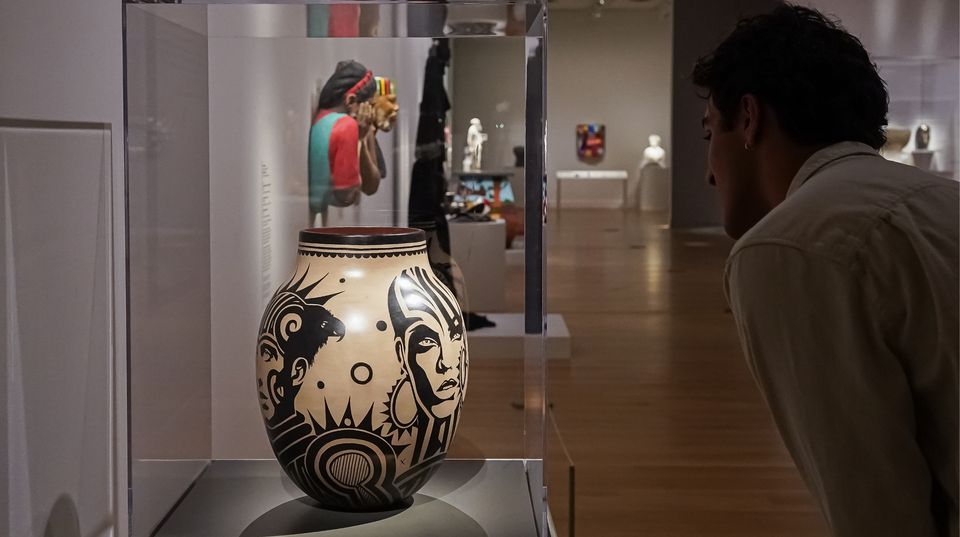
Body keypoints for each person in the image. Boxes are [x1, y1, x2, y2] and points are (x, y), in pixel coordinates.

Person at [694, 5, 958, 536]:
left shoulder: (789, 246)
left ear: (748, 118)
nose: (708, 174)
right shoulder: (944, 198)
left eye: (708, 136)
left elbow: (878, 513)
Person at [308, 60, 382, 225]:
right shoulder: (347, 125)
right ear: (350, 101)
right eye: (368, 106)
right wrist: (359, 139)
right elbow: (347, 195)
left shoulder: (322, 119)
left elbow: (371, 185)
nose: (370, 113)